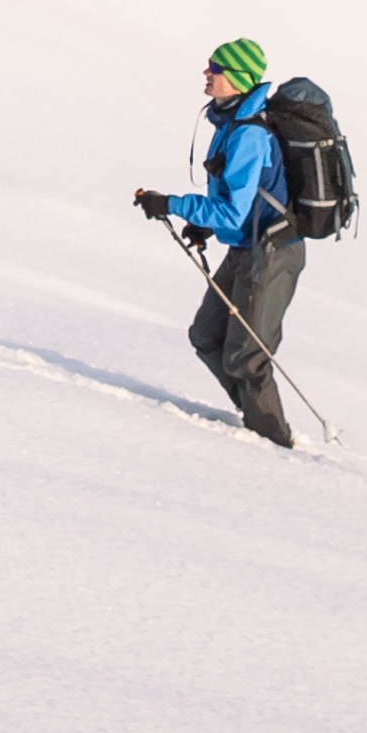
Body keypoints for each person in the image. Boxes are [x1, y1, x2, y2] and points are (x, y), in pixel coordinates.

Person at [130, 37, 302, 448]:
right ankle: (254, 424)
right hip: (246, 247)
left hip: (273, 252)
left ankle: (276, 445)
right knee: (207, 336)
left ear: (239, 79)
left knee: (246, 356)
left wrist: (172, 204)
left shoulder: (247, 135)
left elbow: (232, 212)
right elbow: (234, 202)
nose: (207, 73)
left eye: (216, 69)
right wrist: (204, 225)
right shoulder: (229, 124)